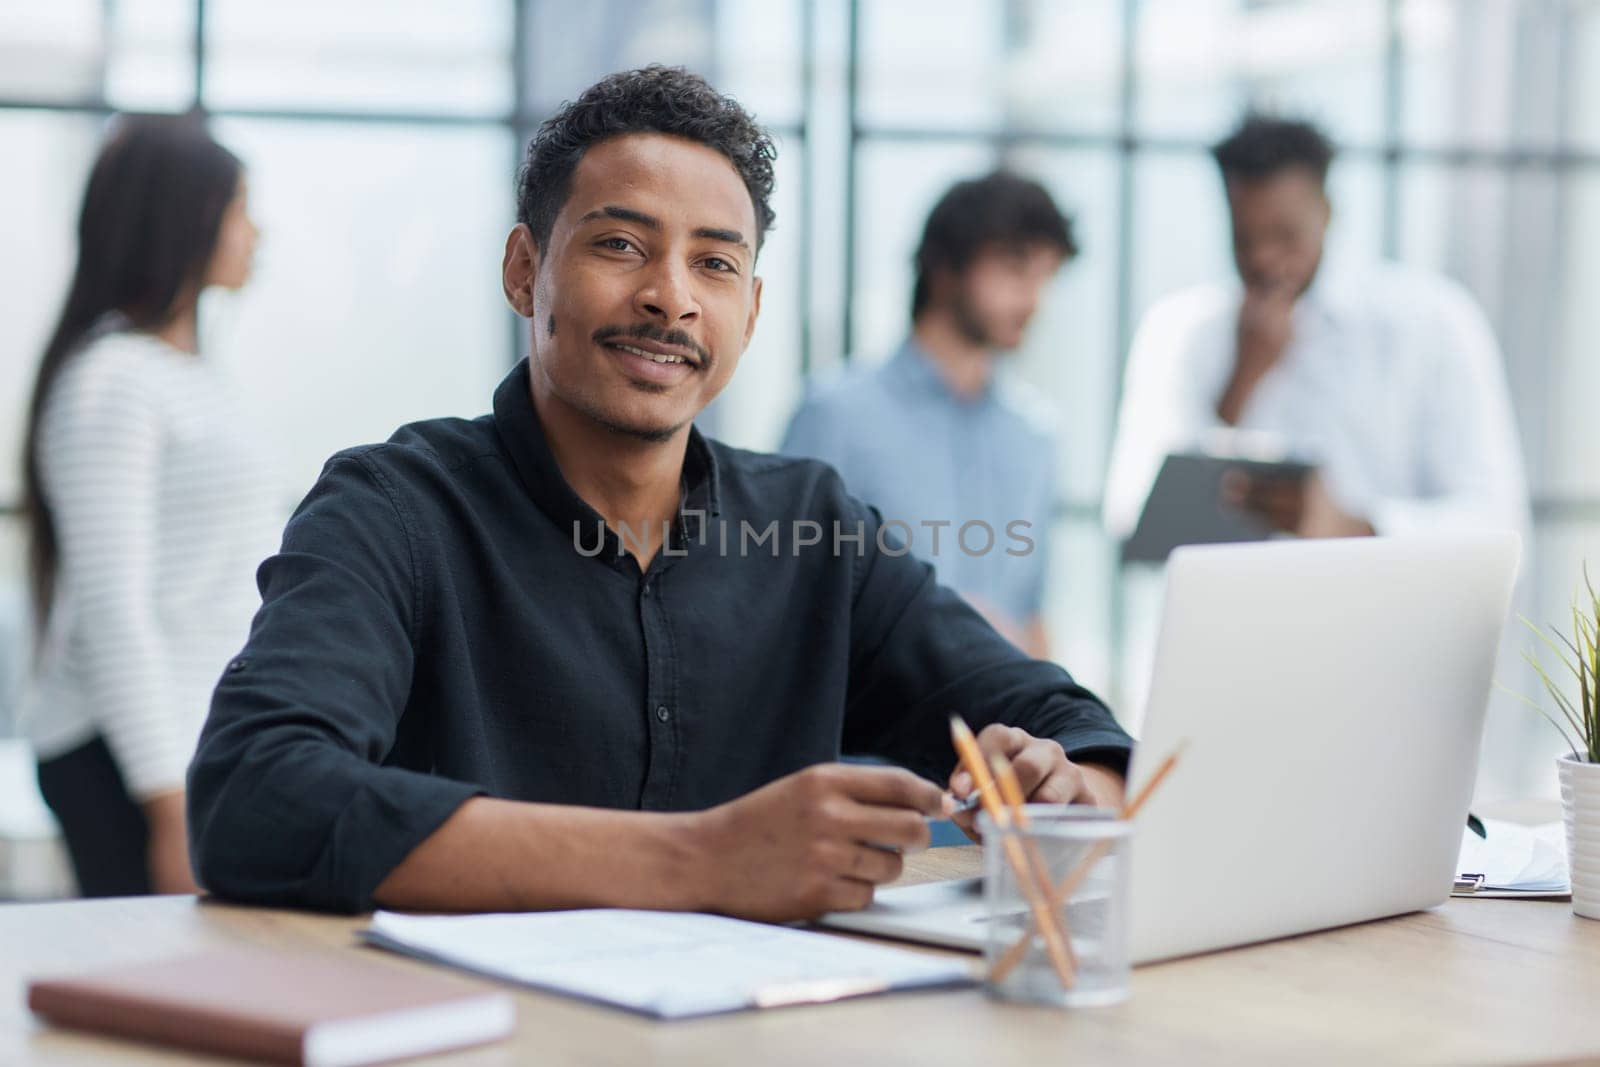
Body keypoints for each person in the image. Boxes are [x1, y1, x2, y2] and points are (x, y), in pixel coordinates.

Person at [187, 67, 1132, 919]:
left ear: (750, 311)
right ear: (526, 270)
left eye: (716, 263)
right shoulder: (393, 510)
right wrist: (701, 859)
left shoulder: (813, 527)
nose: (671, 298)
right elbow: (256, 797)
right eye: (622, 245)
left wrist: (1065, 786)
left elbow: (1068, 726)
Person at [20, 114, 280, 897]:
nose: (255, 232)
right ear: (187, 221)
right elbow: (113, 613)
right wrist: (169, 809)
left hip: (193, 742)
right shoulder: (113, 381)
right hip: (126, 760)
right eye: (239, 210)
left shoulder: (186, 371)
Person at [1103, 114, 1528, 542]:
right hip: (1237, 606)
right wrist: (1241, 382)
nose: (1264, 258)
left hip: (1388, 605)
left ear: (1326, 212)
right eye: (1244, 239)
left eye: (1284, 235)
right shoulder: (1182, 330)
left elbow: (1498, 523)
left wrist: (1354, 528)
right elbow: (1129, 521)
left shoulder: (1433, 322)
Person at [781, 173, 1073, 658]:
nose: (1032, 300)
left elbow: (1032, 612)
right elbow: (786, 592)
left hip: (1003, 720)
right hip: (874, 723)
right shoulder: (835, 414)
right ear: (945, 268)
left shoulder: (1035, 433)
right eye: (1014, 269)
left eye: (1046, 276)